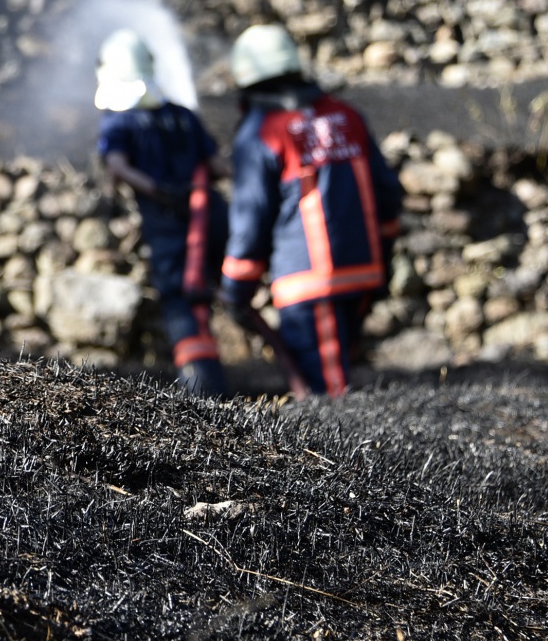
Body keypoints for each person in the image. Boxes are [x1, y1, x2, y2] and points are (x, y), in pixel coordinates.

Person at [219, 24, 403, 397]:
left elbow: (251, 218)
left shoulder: (262, 131)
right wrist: (382, 257)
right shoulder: (345, 116)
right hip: (362, 271)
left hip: (308, 281)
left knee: (327, 399)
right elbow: (388, 196)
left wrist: (236, 286)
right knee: (337, 378)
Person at [94, 30, 229, 398]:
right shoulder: (183, 116)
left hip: (170, 227)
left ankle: (203, 393)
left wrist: (158, 190)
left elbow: (119, 167)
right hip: (212, 219)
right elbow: (218, 166)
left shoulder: (118, 121)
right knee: (215, 293)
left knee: (181, 302)